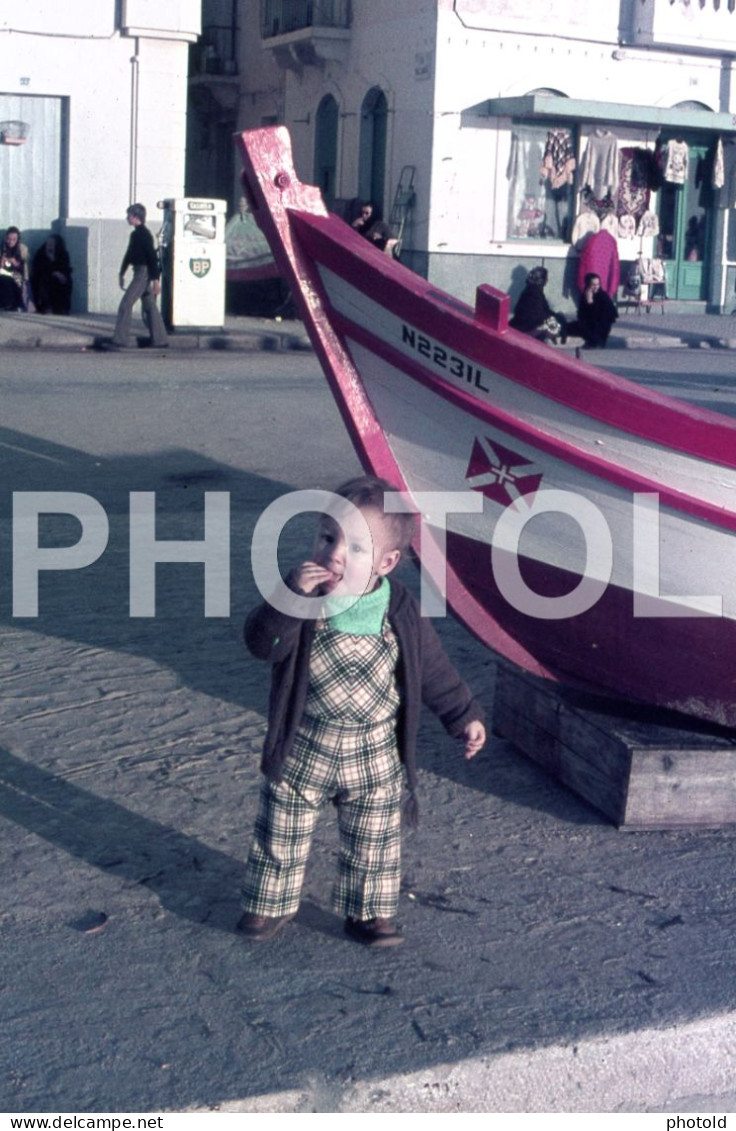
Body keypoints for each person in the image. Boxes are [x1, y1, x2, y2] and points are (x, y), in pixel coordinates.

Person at [237, 475, 486, 948]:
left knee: (374, 839)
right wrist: (288, 599)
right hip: (304, 744)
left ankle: (368, 913)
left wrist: (463, 714)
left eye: (353, 547)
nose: (333, 553)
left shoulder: (400, 611)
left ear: (386, 562)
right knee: (281, 831)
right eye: (327, 537)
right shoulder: (302, 600)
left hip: (373, 754)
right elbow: (261, 644)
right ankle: (268, 905)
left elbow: (432, 670)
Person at [107, 203, 168, 349]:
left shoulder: (143, 235)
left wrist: (155, 281)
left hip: (143, 273)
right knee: (150, 306)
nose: (127, 218)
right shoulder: (136, 234)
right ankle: (160, 340)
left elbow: (151, 258)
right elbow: (129, 255)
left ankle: (119, 339)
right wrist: (122, 272)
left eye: (129, 215)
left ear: (135, 217)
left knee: (126, 304)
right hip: (141, 272)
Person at [509, 266, 566, 344]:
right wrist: (553, 319)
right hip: (525, 327)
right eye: (546, 278)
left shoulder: (533, 290)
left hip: (525, 323)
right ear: (543, 281)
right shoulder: (534, 293)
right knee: (550, 325)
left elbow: (545, 309)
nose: (547, 281)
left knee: (558, 318)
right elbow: (538, 315)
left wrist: (555, 316)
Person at [567, 272, 618, 350]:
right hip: (589, 324)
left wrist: (590, 302)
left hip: (600, 327)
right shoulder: (585, 294)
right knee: (568, 327)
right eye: (593, 285)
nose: (596, 287)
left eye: (598, 284)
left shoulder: (603, 296)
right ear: (588, 285)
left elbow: (598, 316)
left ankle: (595, 342)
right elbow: (581, 314)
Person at [31, 234, 73, 314]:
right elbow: (38, 269)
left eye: (52, 244)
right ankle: (46, 306)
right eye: (48, 243)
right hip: (43, 277)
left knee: (67, 280)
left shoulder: (63, 254)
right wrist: (53, 270)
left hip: (59, 277)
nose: (49, 246)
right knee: (46, 280)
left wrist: (61, 274)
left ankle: (62, 308)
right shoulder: (40, 253)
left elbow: (66, 268)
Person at [0, 226, 30, 311]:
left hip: (17, 274)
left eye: (14, 239)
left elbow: (24, 266)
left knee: (13, 280)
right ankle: (6, 304)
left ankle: (13, 304)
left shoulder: (22, 249)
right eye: (9, 239)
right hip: (3, 273)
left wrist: (15, 262)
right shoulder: (2, 248)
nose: (11, 242)